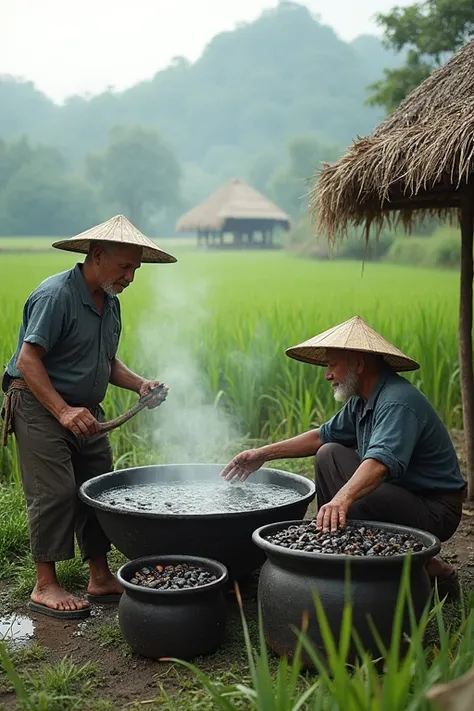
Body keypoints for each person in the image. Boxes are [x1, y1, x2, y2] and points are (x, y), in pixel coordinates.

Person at [1, 214, 177, 620]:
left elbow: (106, 361)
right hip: (39, 405)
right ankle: (45, 584)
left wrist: (140, 385)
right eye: (125, 267)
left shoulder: (109, 301)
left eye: (136, 268)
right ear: (97, 256)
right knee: (55, 492)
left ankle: (99, 575)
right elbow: (28, 361)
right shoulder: (55, 296)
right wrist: (62, 410)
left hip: (85, 413)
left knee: (97, 488)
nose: (131, 276)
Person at [220, 315, 466, 591]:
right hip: (401, 493)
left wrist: (341, 499)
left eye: (331, 365)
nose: (327, 375)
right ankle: (338, 543)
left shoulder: (398, 401)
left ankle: (423, 565)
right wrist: (263, 454)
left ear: (358, 364)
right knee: (329, 453)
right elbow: (320, 437)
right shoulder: (362, 401)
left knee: (360, 498)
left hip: (434, 509)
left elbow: (379, 466)